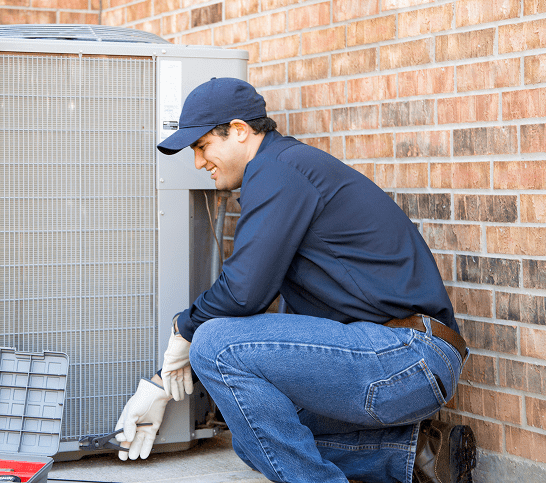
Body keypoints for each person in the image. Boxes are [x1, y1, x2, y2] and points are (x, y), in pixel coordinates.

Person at [113, 78, 477, 483]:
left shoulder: (278, 171)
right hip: (393, 360)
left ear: (238, 130)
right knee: (254, 438)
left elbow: (242, 292)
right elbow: (277, 329)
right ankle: (416, 456)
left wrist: (184, 330)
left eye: (201, 147)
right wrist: (164, 383)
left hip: (407, 356)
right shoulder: (282, 172)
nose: (198, 163)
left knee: (215, 341)